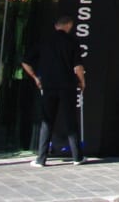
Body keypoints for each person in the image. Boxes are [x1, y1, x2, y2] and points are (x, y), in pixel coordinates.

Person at [21, 15, 87, 166]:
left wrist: (36, 78)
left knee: (47, 121)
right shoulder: (72, 41)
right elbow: (78, 67)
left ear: (56, 26)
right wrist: (82, 82)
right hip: (67, 86)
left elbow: (25, 62)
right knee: (70, 121)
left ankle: (41, 159)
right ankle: (77, 157)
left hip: (49, 86)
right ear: (69, 25)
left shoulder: (44, 41)